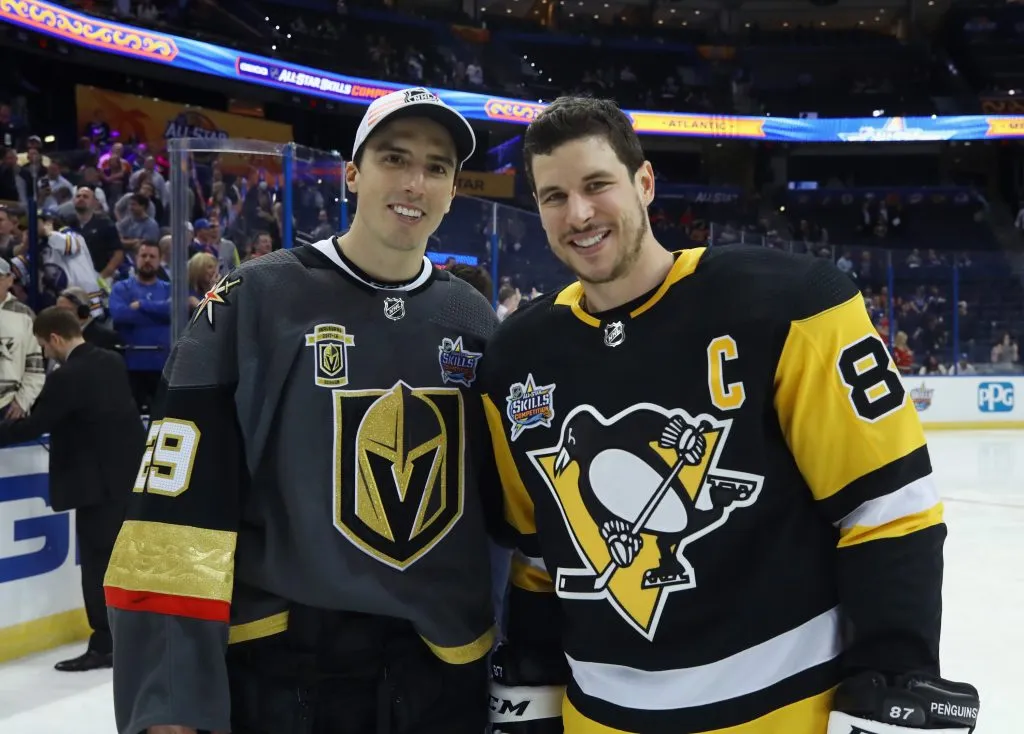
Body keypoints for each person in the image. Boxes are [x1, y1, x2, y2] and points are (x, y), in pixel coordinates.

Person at [479, 97, 981, 734]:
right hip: (598, 716)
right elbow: (537, 551)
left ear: (644, 183)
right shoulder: (516, 359)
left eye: (597, 185)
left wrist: (894, 670)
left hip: (783, 710)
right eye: (555, 196)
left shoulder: (790, 304)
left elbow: (886, 507)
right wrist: (535, 673)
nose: (578, 214)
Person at [104, 87, 506, 734]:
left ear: (453, 190)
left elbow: (503, 513)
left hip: (440, 673)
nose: (415, 182)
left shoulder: (472, 319)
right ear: (352, 174)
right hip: (289, 674)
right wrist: (169, 696)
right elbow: (174, 512)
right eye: (394, 158)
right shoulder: (254, 299)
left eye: (436, 167)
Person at [0, 307, 144, 671]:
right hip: (126, 480)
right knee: (119, 565)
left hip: (94, 487)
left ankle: (105, 644)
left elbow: (35, 425)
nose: (46, 353)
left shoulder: (67, 376)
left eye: (44, 346)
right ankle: (127, 639)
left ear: (56, 338)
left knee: (97, 567)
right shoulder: (112, 361)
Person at [0, 258, 44, 419]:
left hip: (9, 407)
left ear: (10, 279)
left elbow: (35, 366)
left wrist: (22, 401)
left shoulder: (24, 315)